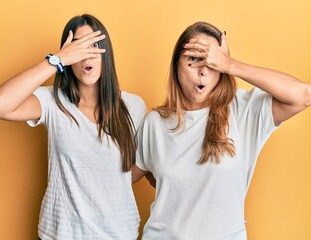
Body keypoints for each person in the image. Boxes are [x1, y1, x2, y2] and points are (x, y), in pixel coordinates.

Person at [132, 21, 311, 239]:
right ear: (176, 65)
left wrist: (230, 65)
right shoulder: (155, 123)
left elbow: (303, 95)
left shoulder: (243, 110)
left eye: (212, 62)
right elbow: (123, 177)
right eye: (194, 59)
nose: (203, 71)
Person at [0, 14, 147, 240]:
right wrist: (55, 61)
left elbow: (140, 165)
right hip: (61, 234)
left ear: (106, 53)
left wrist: (103, 180)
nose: (86, 55)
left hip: (117, 233)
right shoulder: (53, 101)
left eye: (93, 46)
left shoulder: (133, 106)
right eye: (78, 47)